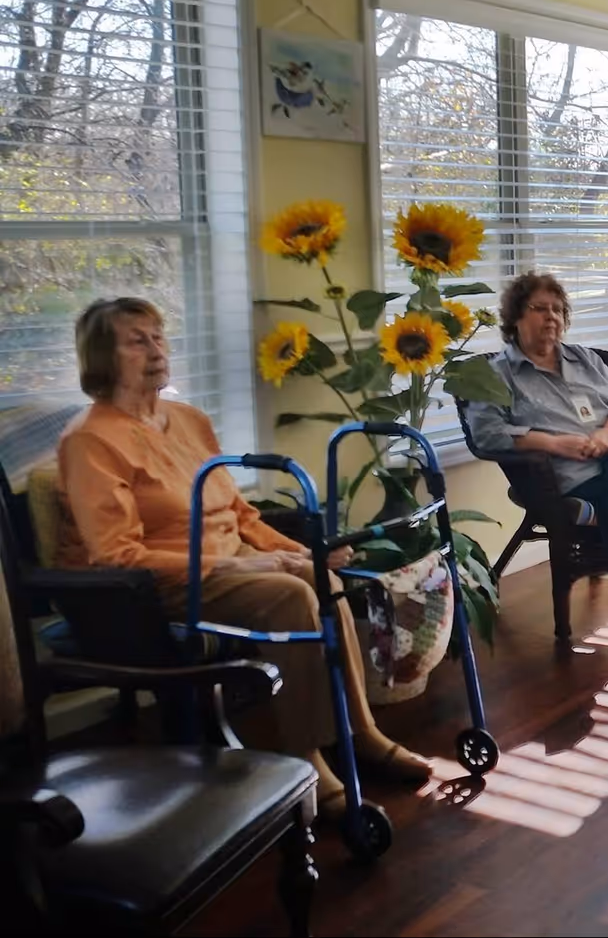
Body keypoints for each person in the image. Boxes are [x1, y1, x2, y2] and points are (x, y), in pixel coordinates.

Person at [54, 297, 431, 820]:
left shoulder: (187, 419)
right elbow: (116, 554)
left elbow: (240, 511)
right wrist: (239, 566)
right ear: (102, 356)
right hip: (161, 584)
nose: (156, 348)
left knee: (320, 580)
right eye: (137, 340)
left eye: (159, 336)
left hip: (232, 562)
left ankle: (358, 732)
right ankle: (304, 756)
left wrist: (306, 552)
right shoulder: (91, 440)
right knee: (292, 596)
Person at [464, 272, 608, 644]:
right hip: (570, 475)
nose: (551, 317)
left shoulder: (586, 359)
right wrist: (552, 444)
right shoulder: (495, 375)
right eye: (539, 308)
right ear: (516, 317)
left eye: (557, 309)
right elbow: (486, 432)